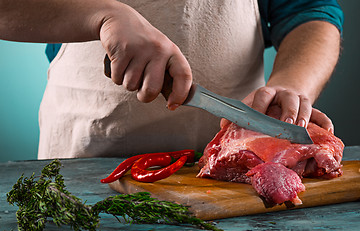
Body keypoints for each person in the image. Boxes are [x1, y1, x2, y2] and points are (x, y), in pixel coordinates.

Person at [0, 0, 343, 159]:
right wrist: (102, 15)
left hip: (237, 165)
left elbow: (309, 12)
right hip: (84, 164)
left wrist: (293, 83)